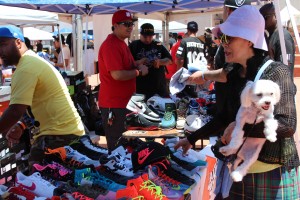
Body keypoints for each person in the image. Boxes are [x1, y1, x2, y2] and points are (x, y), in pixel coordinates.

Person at [175, 5, 299, 199]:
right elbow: (224, 117)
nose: (222, 43)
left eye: (228, 37)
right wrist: (191, 139)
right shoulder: (234, 72)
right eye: (221, 37)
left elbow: (287, 124)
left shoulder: (277, 72)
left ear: (249, 40)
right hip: (240, 171)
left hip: (273, 172)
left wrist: (239, 127)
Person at [0, 25, 85, 167]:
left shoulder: (26, 68)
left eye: (3, 44)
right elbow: (36, 103)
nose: (0, 51)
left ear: (18, 43)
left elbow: (15, 111)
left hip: (59, 137)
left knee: (39, 182)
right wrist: (21, 125)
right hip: (68, 133)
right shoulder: (31, 61)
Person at [98, 10, 148, 151]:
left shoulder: (120, 43)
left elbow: (123, 67)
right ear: (115, 25)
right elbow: (117, 75)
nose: (130, 27)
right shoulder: (111, 45)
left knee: (126, 146)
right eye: (126, 24)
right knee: (117, 149)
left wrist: (137, 63)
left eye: (131, 24)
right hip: (114, 105)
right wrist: (138, 71)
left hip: (123, 103)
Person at [129, 23, 172, 100]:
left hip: (159, 88)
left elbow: (169, 60)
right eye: (145, 37)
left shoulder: (158, 44)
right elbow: (127, 64)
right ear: (140, 34)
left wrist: (160, 62)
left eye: (150, 36)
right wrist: (139, 63)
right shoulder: (134, 45)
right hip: (141, 89)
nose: (148, 39)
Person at [260, 2, 295, 78]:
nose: (262, 21)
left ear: (275, 16)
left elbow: (285, 69)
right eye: (260, 18)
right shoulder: (271, 35)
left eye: (265, 18)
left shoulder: (283, 38)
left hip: (282, 87)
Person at [176, 21, 205, 97]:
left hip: (186, 77)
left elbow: (180, 59)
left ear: (188, 30)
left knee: (184, 102)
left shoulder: (184, 41)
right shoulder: (202, 43)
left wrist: (178, 74)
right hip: (199, 76)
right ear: (197, 30)